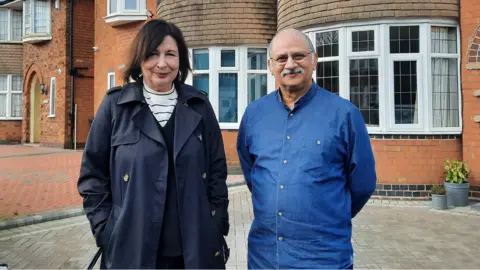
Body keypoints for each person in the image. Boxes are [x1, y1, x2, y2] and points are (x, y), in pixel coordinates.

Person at [78, 19, 229, 269]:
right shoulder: (115, 107)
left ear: (180, 60)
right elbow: (92, 175)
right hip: (131, 248)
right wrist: (106, 228)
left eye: (170, 54)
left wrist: (216, 222)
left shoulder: (200, 106)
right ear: (140, 59)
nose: (162, 63)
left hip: (194, 250)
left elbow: (216, 171)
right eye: (153, 54)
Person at [237, 28, 377, 269]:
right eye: (282, 58)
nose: (290, 64)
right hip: (266, 258)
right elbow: (254, 176)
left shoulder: (344, 115)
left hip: (323, 258)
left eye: (299, 56)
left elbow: (362, 185)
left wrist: (325, 216)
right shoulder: (254, 115)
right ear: (271, 66)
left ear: (315, 60)